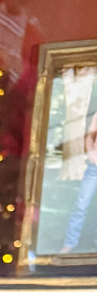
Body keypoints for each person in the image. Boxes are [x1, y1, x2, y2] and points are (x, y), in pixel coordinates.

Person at [61, 107, 97, 253]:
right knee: (81, 204)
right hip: (94, 167)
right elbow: (89, 137)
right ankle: (70, 243)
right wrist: (92, 156)